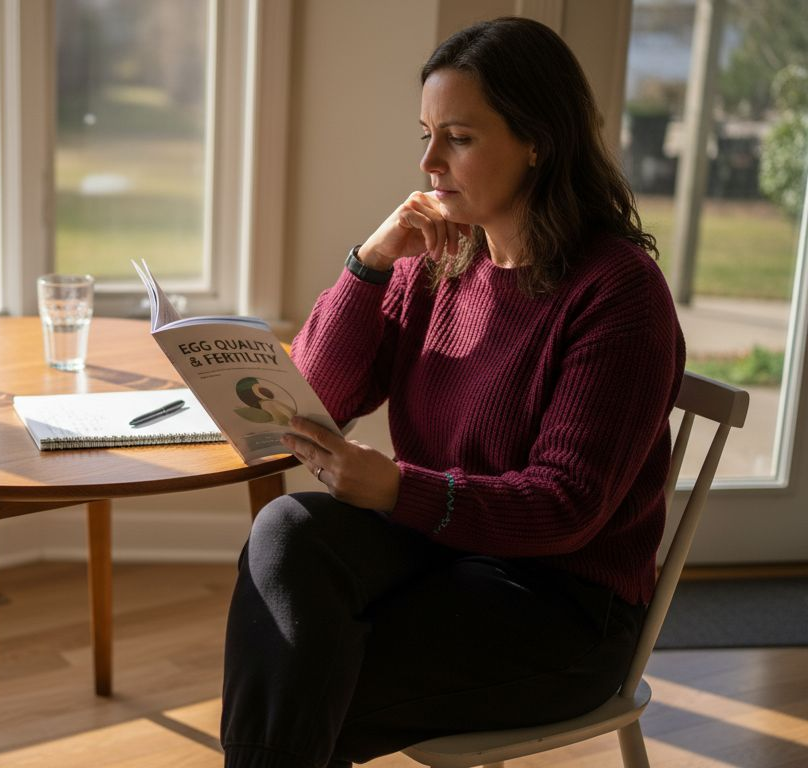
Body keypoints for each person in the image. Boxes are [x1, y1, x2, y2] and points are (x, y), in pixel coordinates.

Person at [219, 17, 685, 768]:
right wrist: (370, 263)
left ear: (538, 141)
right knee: (288, 531)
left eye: (459, 138)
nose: (430, 161)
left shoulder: (619, 293)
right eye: (426, 133)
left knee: (297, 675)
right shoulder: (443, 254)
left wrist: (397, 488)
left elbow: (565, 506)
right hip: (440, 551)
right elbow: (319, 398)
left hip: (562, 606)